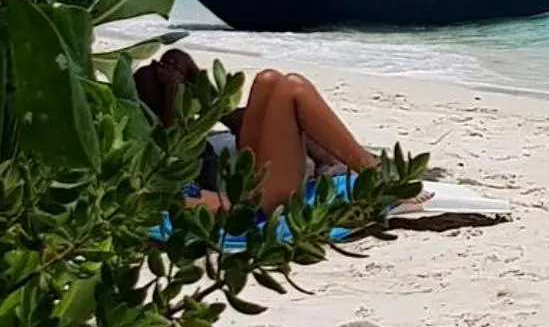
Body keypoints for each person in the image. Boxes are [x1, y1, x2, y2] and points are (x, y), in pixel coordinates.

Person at [134, 48, 382, 213]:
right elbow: (213, 206)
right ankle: (378, 178)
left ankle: (366, 171)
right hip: (257, 204)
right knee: (295, 89)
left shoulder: (162, 161)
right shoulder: (155, 176)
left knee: (269, 79)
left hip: (246, 184)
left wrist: (186, 78)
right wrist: (171, 94)